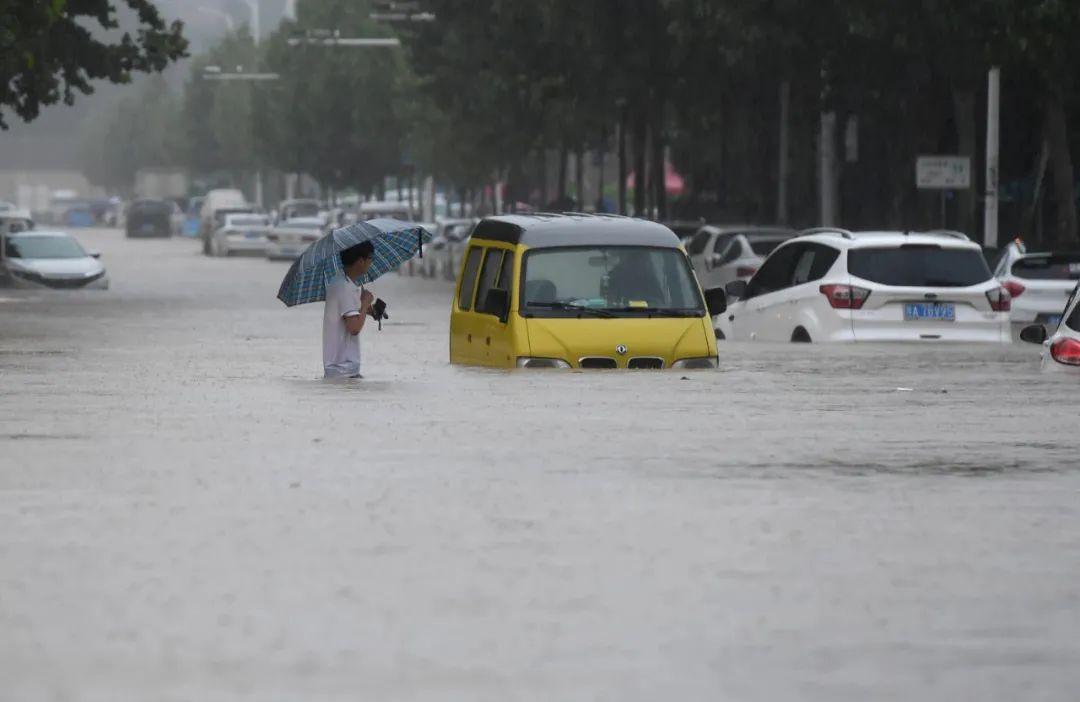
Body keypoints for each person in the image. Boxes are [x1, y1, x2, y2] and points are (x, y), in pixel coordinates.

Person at [323, 241, 375, 378]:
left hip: (337, 369)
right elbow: (354, 328)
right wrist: (364, 304)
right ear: (360, 261)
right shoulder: (346, 288)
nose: (372, 262)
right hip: (344, 370)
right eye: (370, 258)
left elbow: (346, 314)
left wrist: (367, 309)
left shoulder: (338, 282)